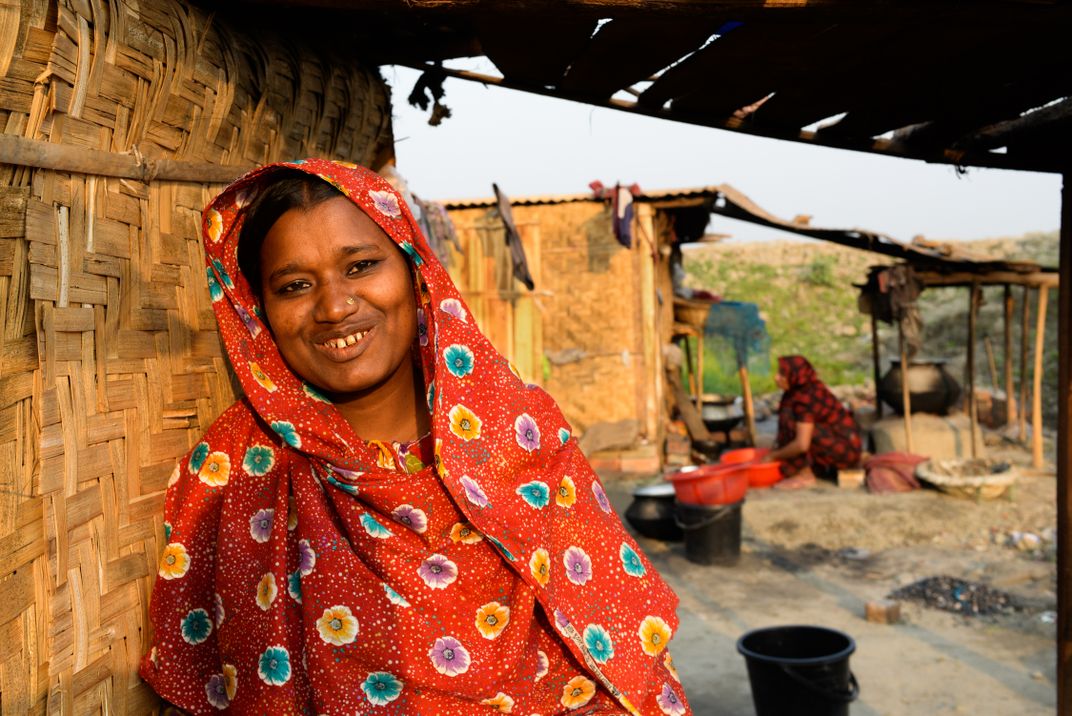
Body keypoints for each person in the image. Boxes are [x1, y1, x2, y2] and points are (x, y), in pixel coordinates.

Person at [139, 159, 689, 715]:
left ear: (414, 269)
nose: (334, 306)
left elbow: (625, 650)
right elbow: (196, 684)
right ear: (259, 308)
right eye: (295, 285)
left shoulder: (514, 427)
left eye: (360, 266)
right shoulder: (239, 466)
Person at [766, 355, 862, 489]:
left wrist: (774, 455)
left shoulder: (806, 398)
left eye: (782, 374)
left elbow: (802, 445)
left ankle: (805, 474)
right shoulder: (797, 390)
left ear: (795, 375)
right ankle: (815, 467)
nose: (776, 378)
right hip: (834, 439)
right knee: (795, 421)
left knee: (795, 425)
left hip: (845, 449)